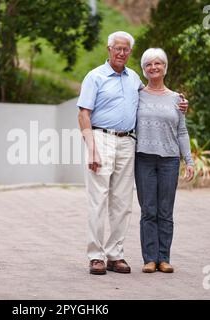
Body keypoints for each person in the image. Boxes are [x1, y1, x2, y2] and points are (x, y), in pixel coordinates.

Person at [77, 32, 188, 275]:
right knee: (99, 200)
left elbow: (155, 95)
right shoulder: (94, 77)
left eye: (126, 49)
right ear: (109, 49)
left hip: (128, 142)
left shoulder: (134, 79)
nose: (121, 53)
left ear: (130, 53)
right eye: (117, 48)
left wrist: (179, 103)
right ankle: (96, 256)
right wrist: (91, 148)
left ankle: (115, 255)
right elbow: (83, 114)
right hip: (101, 138)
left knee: (122, 203)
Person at [135, 48, 194, 274]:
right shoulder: (137, 94)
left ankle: (164, 258)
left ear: (165, 67)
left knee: (165, 211)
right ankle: (149, 259)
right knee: (148, 210)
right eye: (148, 64)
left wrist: (188, 160)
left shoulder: (176, 99)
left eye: (158, 63)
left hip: (169, 160)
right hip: (144, 159)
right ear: (144, 69)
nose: (153, 67)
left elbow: (182, 131)